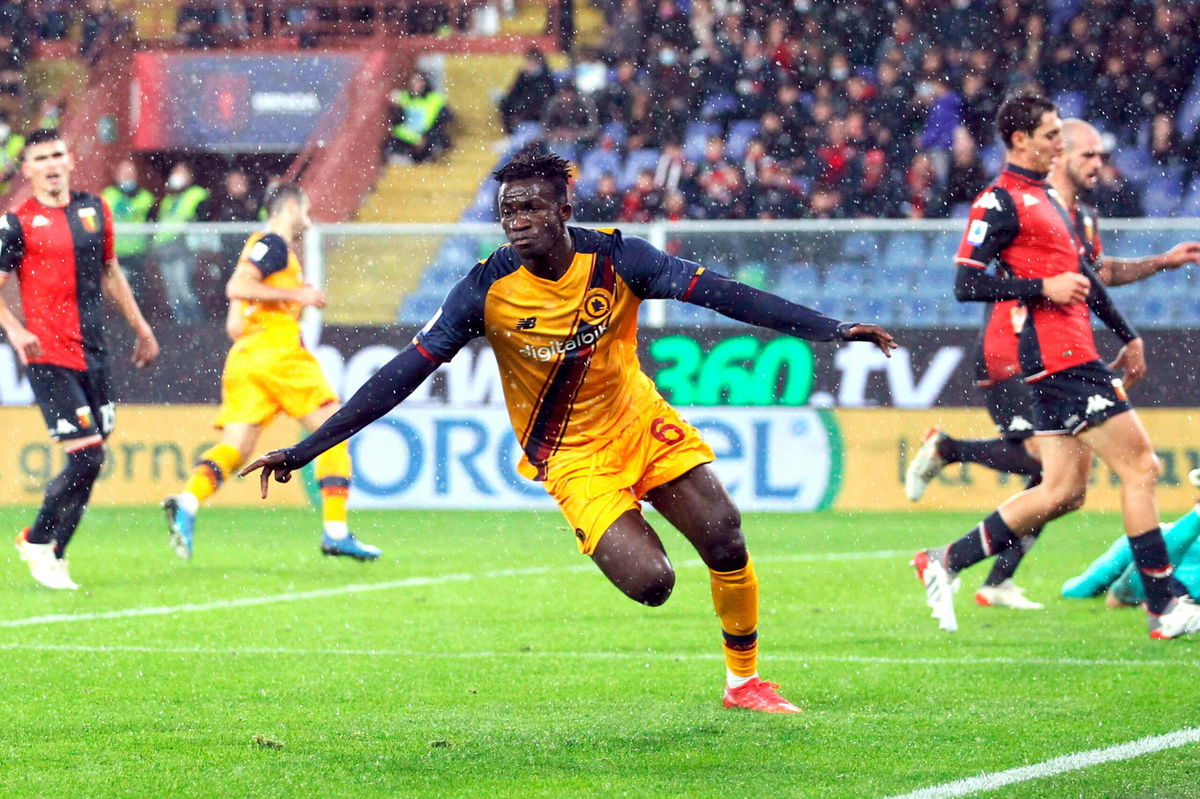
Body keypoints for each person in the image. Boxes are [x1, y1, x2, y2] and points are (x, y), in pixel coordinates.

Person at [240, 147, 897, 713]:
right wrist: (306, 448)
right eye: (507, 213)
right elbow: (401, 374)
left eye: (530, 210)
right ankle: (630, 548)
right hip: (570, 455)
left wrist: (830, 328)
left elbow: (720, 292)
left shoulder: (619, 260)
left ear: (562, 209)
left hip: (639, 421)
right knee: (655, 584)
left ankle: (744, 680)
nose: (517, 223)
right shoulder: (484, 289)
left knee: (724, 533)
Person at [909, 95, 1200, 640]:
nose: (1058, 146)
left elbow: (1087, 277)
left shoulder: (1052, 201)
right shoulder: (999, 202)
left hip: (1071, 354)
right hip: (1056, 358)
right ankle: (1164, 606)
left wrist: (1129, 337)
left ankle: (945, 560)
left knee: (1062, 491)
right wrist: (1038, 287)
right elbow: (966, 283)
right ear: (1019, 140)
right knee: (1142, 468)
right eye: (1050, 136)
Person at [161, 183, 380, 563]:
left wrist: (276, 302)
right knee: (336, 430)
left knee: (236, 448)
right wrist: (299, 297)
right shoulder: (274, 245)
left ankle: (188, 501)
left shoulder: (256, 249)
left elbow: (234, 323)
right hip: (278, 353)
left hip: (246, 356)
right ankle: (335, 532)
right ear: (291, 207)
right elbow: (237, 286)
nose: (309, 221)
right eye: (306, 210)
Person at [0, 128, 159, 590]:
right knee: (87, 456)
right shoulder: (17, 222)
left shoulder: (95, 209)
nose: (51, 164)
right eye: (40, 158)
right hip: (49, 354)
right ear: (27, 170)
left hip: (96, 354)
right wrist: (15, 329)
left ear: (70, 160)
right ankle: (35, 538)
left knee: (93, 457)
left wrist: (141, 326)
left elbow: (111, 271)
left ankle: (57, 553)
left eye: (57, 155)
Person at [1063, 469, 1200, 608]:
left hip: (1164, 556)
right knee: (1079, 589)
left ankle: (1133, 593)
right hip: (1143, 547)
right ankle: (1129, 592)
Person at [152, 161, 210, 325]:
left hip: (182, 249)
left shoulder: (196, 194)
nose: (176, 176)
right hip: (164, 250)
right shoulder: (168, 200)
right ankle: (181, 325)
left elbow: (202, 216)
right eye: (175, 172)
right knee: (173, 292)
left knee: (184, 289)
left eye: (181, 172)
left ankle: (198, 324)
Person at [100, 159, 157, 307]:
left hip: (137, 252)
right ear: (117, 174)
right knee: (114, 292)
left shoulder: (146, 197)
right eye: (124, 172)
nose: (126, 175)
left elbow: (153, 225)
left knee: (138, 291)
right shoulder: (107, 195)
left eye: (130, 172)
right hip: (113, 254)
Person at [384, 72, 451, 165]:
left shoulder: (435, 99)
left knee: (437, 138)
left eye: (419, 81)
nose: (416, 85)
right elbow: (396, 126)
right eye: (414, 82)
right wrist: (415, 139)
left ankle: (432, 157)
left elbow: (445, 119)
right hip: (409, 138)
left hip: (429, 136)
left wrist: (426, 136)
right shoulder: (404, 98)